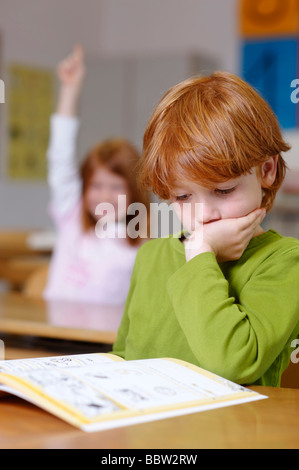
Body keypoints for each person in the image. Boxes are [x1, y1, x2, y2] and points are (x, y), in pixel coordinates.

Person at [112, 71, 299, 386]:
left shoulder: (284, 262)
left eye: (224, 191)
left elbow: (234, 364)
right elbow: (123, 355)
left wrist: (200, 253)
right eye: (183, 197)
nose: (205, 215)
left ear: (266, 170)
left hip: (229, 434)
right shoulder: (151, 256)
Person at [43, 46, 149, 304]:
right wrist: (70, 90)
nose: (104, 196)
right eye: (96, 185)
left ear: (134, 191)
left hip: (104, 343)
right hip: (50, 337)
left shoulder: (143, 242)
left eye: (116, 187)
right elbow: (60, 156)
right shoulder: (73, 217)